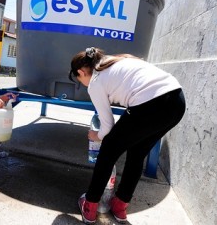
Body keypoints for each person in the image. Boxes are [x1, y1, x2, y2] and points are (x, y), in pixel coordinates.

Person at [69, 47, 186, 224]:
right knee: (137, 153)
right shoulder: (117, 60)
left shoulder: (95, 81)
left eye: (79, 80)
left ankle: (90, 204)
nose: (83, 83)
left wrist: (97, 135)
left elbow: (107, 125)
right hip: (177, 101)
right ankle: (120, 205)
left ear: (81, 72)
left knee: (108, 150)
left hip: (150, 103)